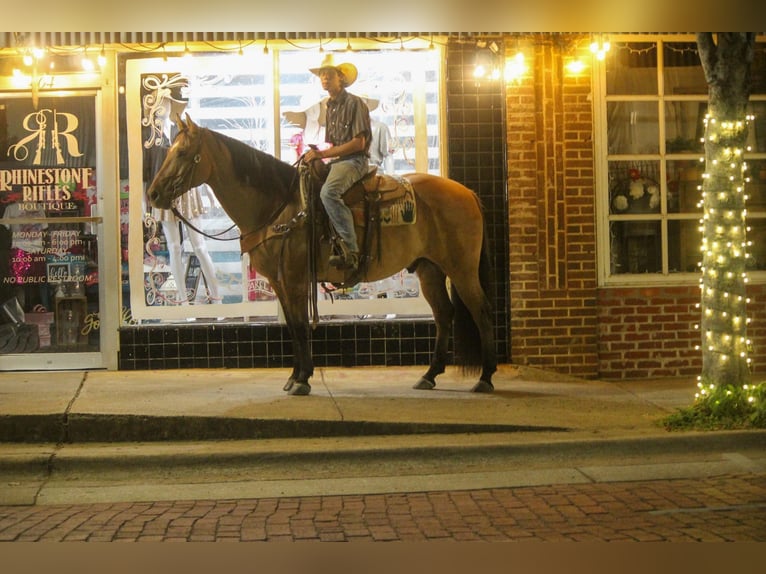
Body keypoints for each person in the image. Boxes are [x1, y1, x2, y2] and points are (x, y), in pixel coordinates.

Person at [303, 54, 372, 271]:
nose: (324, 78)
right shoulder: (329, 106)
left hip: (355, 161)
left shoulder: (355, 103)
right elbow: (334, 144)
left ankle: (351, 250)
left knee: (328, 193)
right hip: (340, 161)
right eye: (322, 75)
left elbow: (359, 143)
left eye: (328, 75)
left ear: (340, 78)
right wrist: (317, 152)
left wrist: (323, 155)